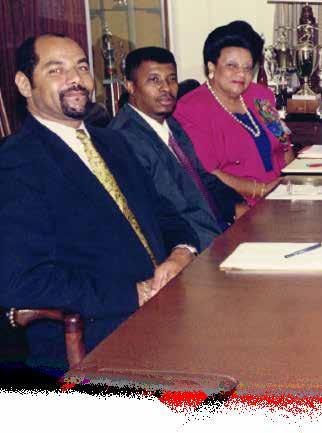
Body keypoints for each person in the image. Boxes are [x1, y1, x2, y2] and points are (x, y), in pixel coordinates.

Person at [0, 34, 198, 374]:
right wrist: (132, 294)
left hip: (168, 308)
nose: (75, 79)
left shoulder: (113, 142)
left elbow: (164, 214)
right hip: (95, 335)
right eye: (56, 70)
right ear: (24, 84)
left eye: (81, 67)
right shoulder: (16, 162)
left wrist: (181, 252)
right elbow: (21, 280)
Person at [110, 47, 244, 251]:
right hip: (191, 246)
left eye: (171, 79)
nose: (166, 88)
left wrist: (237, 206)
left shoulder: (170, 122)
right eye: (154, 80)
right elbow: (164, 212)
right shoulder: (123, 139)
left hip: (218, 229)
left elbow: (202, 176)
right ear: (130, 86)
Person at [174, 21, 293, 206]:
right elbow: (209, 173)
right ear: (211, 67)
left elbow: (284, 144)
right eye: (232, 65)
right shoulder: (191, 109)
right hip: (239, 206)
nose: (241, 74)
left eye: (247, 67)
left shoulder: (261, 96)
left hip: (281, 194)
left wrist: (293, 181)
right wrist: (262, 190)